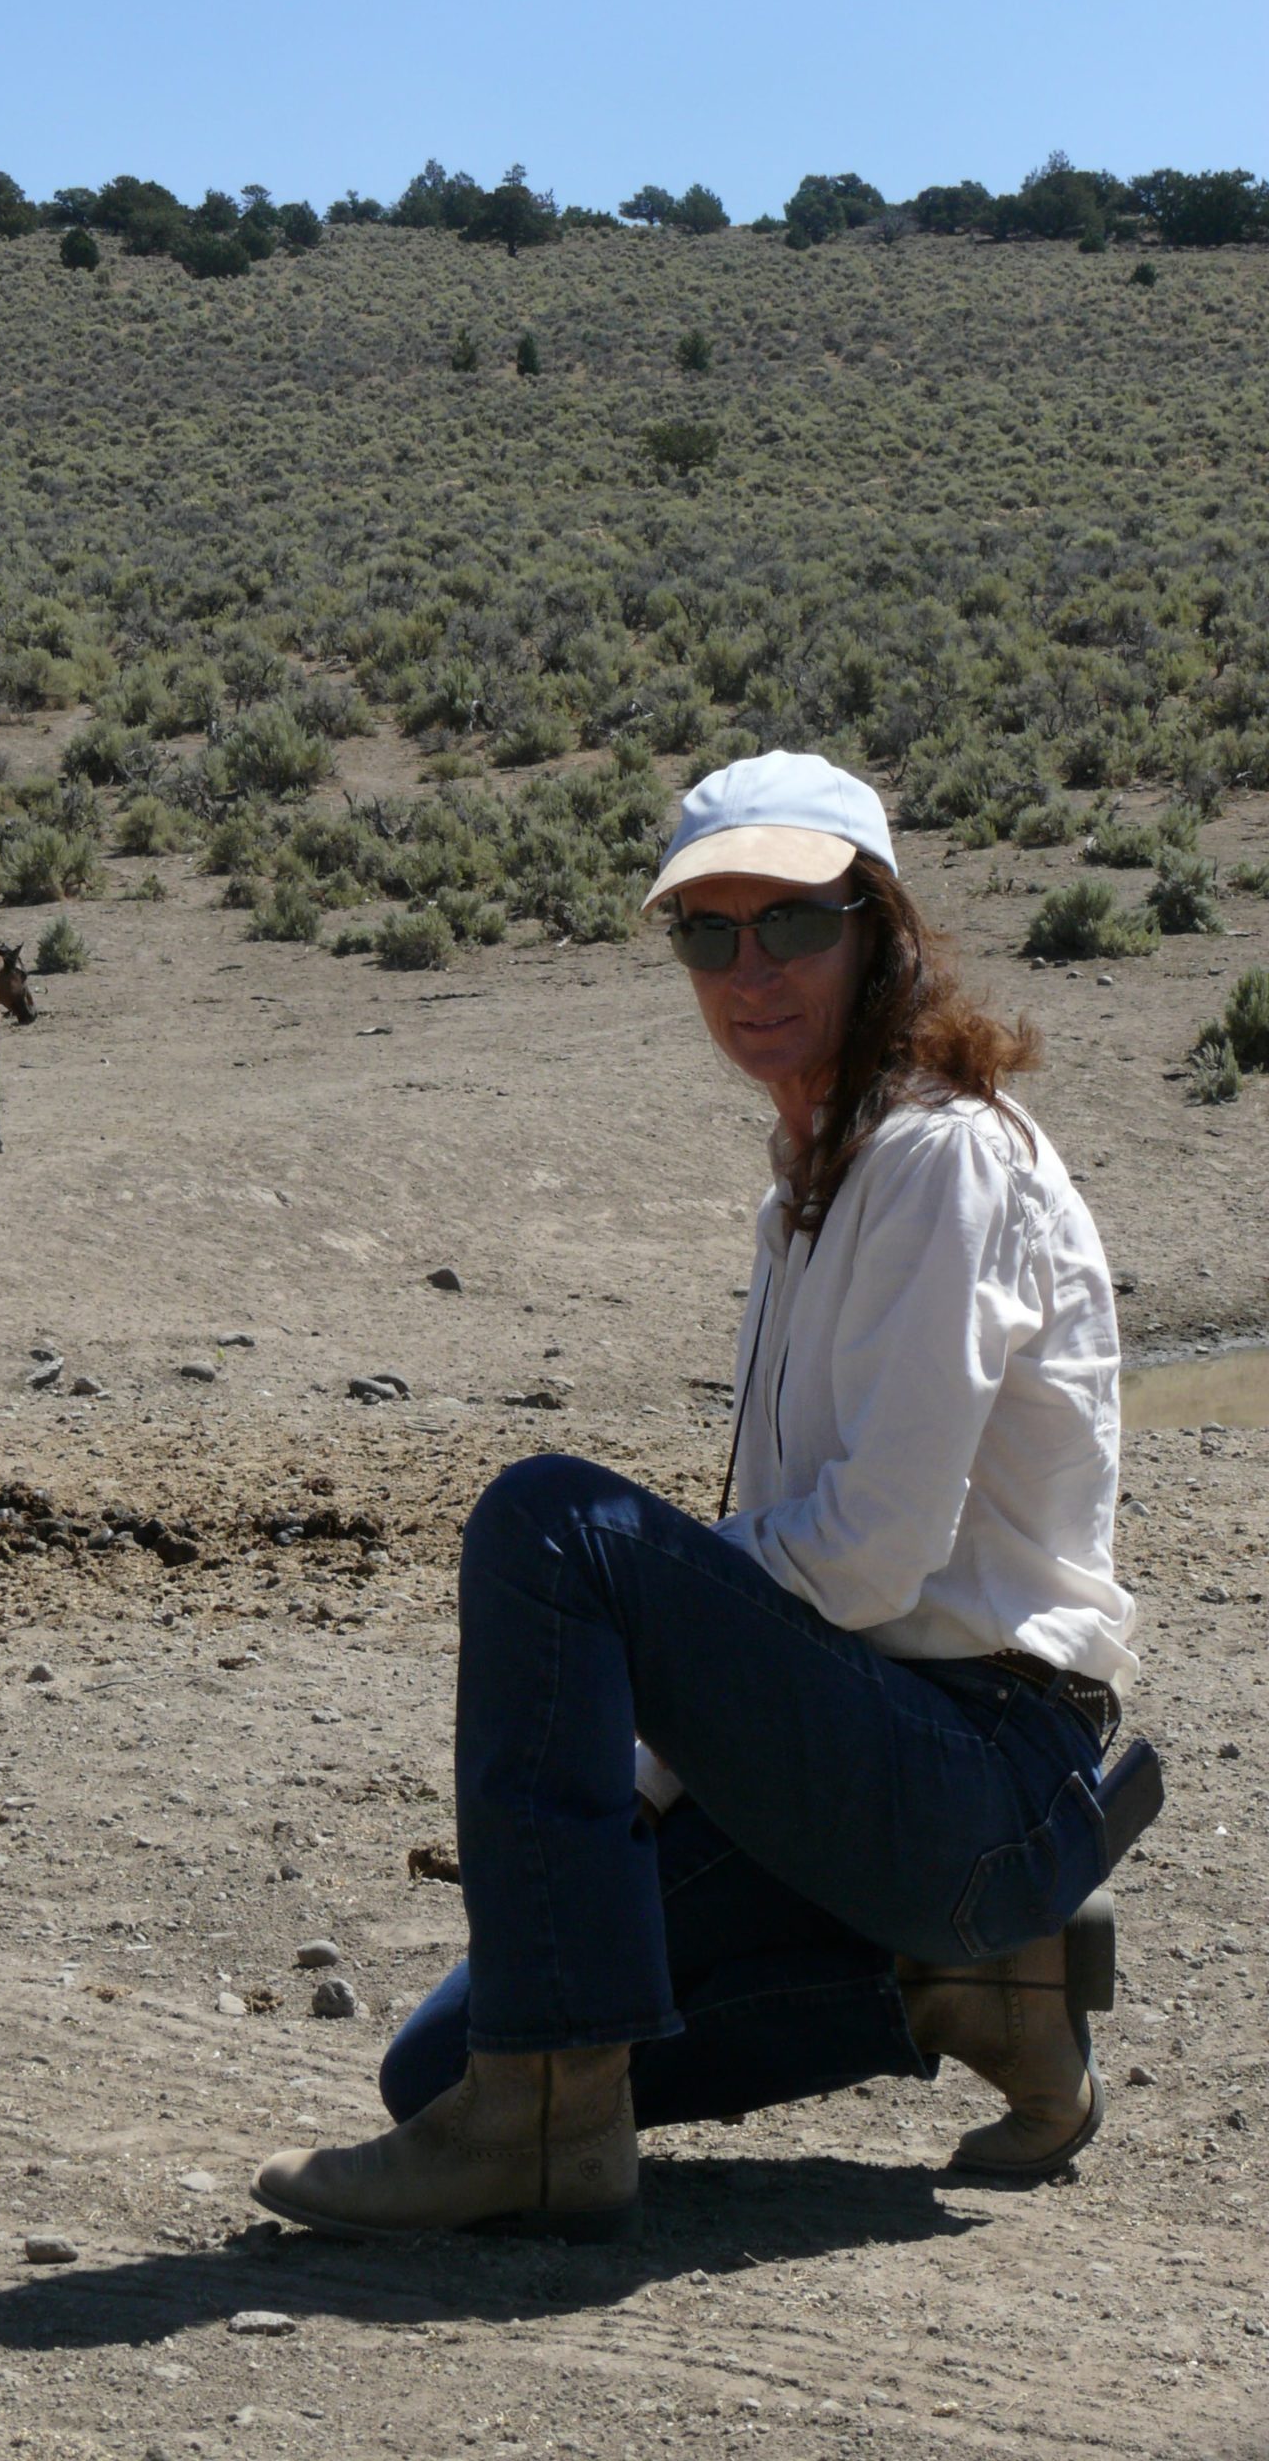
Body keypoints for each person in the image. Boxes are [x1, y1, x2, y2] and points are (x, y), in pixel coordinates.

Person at [253, 748, 1139, 2243]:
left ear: (880, 929)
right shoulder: (811, 1180)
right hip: (865, 1761)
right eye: (707, 934)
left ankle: (553, 2127)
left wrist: (642, 1672)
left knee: (550, 1524)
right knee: (444, 2063)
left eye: (791, 923)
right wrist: (637, 1790)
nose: (751, 970)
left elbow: (864, 1559)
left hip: (981, 1757)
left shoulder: (944, 1164)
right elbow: (795, 1595)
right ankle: (969, 1981)